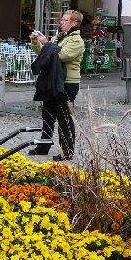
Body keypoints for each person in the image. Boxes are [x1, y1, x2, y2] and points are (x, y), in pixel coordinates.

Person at [28, 10, 86, 161]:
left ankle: (67, 151)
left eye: (65, 20)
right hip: (52, 80)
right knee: (47, 115)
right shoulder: (58, 37)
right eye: (62, 20)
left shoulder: (77, 40)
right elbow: (44, 54)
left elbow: (62, 55)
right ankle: (43, 147)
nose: (62, 22)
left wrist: (46, 42)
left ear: (75, 23)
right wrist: (36, 42)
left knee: (64, 117)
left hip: (67, 83)